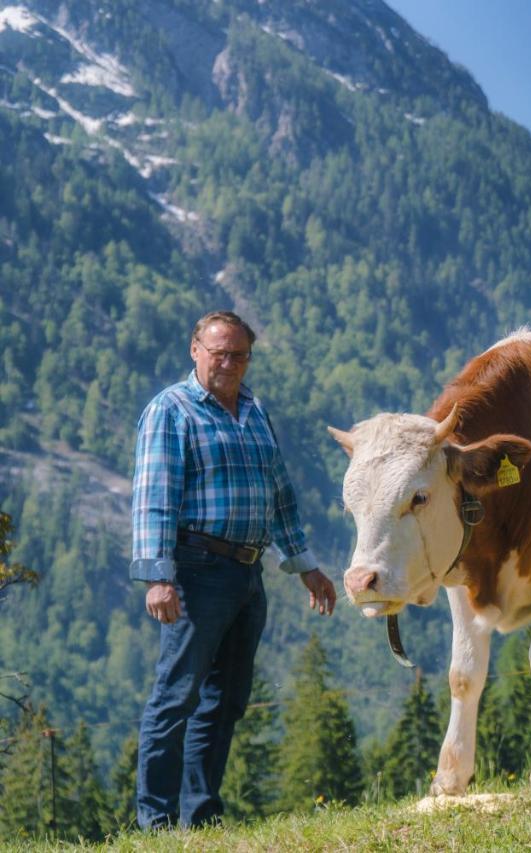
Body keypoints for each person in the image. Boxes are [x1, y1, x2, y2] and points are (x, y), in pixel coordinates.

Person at [129, 310, 337, 830]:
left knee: (226, 701)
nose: (228, 362)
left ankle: (199, 817)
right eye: (218, 351)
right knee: (176, 695)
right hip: (197, 570)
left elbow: (280, 493)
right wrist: (158, 576)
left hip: (248, 572)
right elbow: (154, 499)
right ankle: (154, 822)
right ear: (194, 350)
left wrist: (305, 566)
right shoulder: (171, 410)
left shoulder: (253, 410)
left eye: (238, 354)